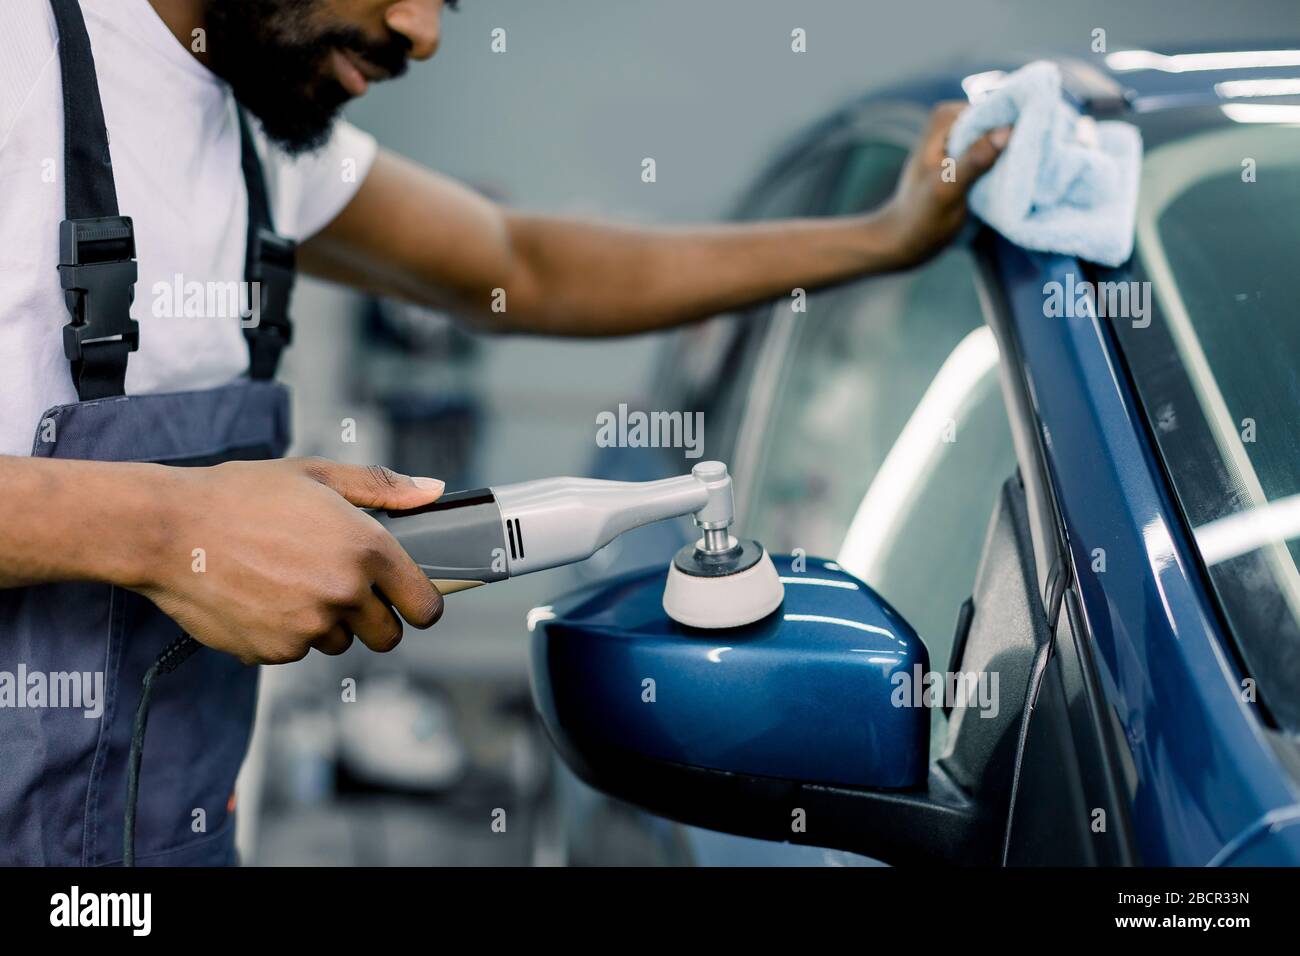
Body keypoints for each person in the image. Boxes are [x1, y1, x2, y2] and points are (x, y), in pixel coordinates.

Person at [0, 0, 1009, 865]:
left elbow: (516, 263)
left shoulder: (255, 128)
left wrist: (879, 235)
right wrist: (170, 528)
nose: (425, 32)